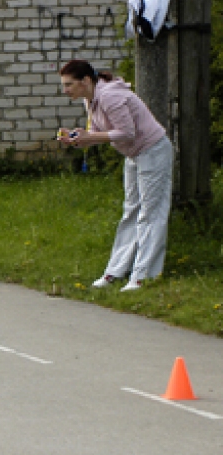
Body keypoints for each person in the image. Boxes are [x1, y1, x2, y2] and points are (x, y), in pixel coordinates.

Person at [58, 59, 174, 292]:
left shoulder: (109, 96)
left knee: (151, 213)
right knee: (131, 210)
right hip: (134, 154)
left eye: (69, 84)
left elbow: (127, 133)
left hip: (152, 150)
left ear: (86, 81)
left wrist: (90, 138)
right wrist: (79, 138)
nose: (65, 90)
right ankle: (115, 272)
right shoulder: (89, 99)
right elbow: (98, 133)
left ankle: (142, 276)